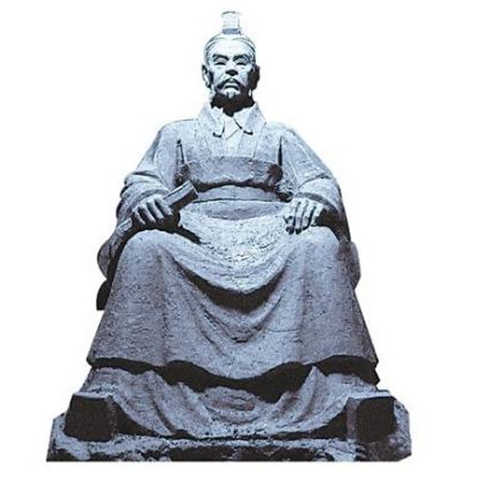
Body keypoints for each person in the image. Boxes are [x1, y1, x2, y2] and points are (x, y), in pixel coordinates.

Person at [64, 12, 393, 442]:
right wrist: (147, 201)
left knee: (318, 244)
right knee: (145, 248)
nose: (231, 69)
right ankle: (120, 379)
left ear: (256, 74)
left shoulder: (280, 136)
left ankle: (341, 379)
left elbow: (320, 182)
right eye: (221, 62)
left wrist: (313, 200)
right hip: (195, 233)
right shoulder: (176, 134)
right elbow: (143, 181)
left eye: (241, 62)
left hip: (270, 232)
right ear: (206, 74)